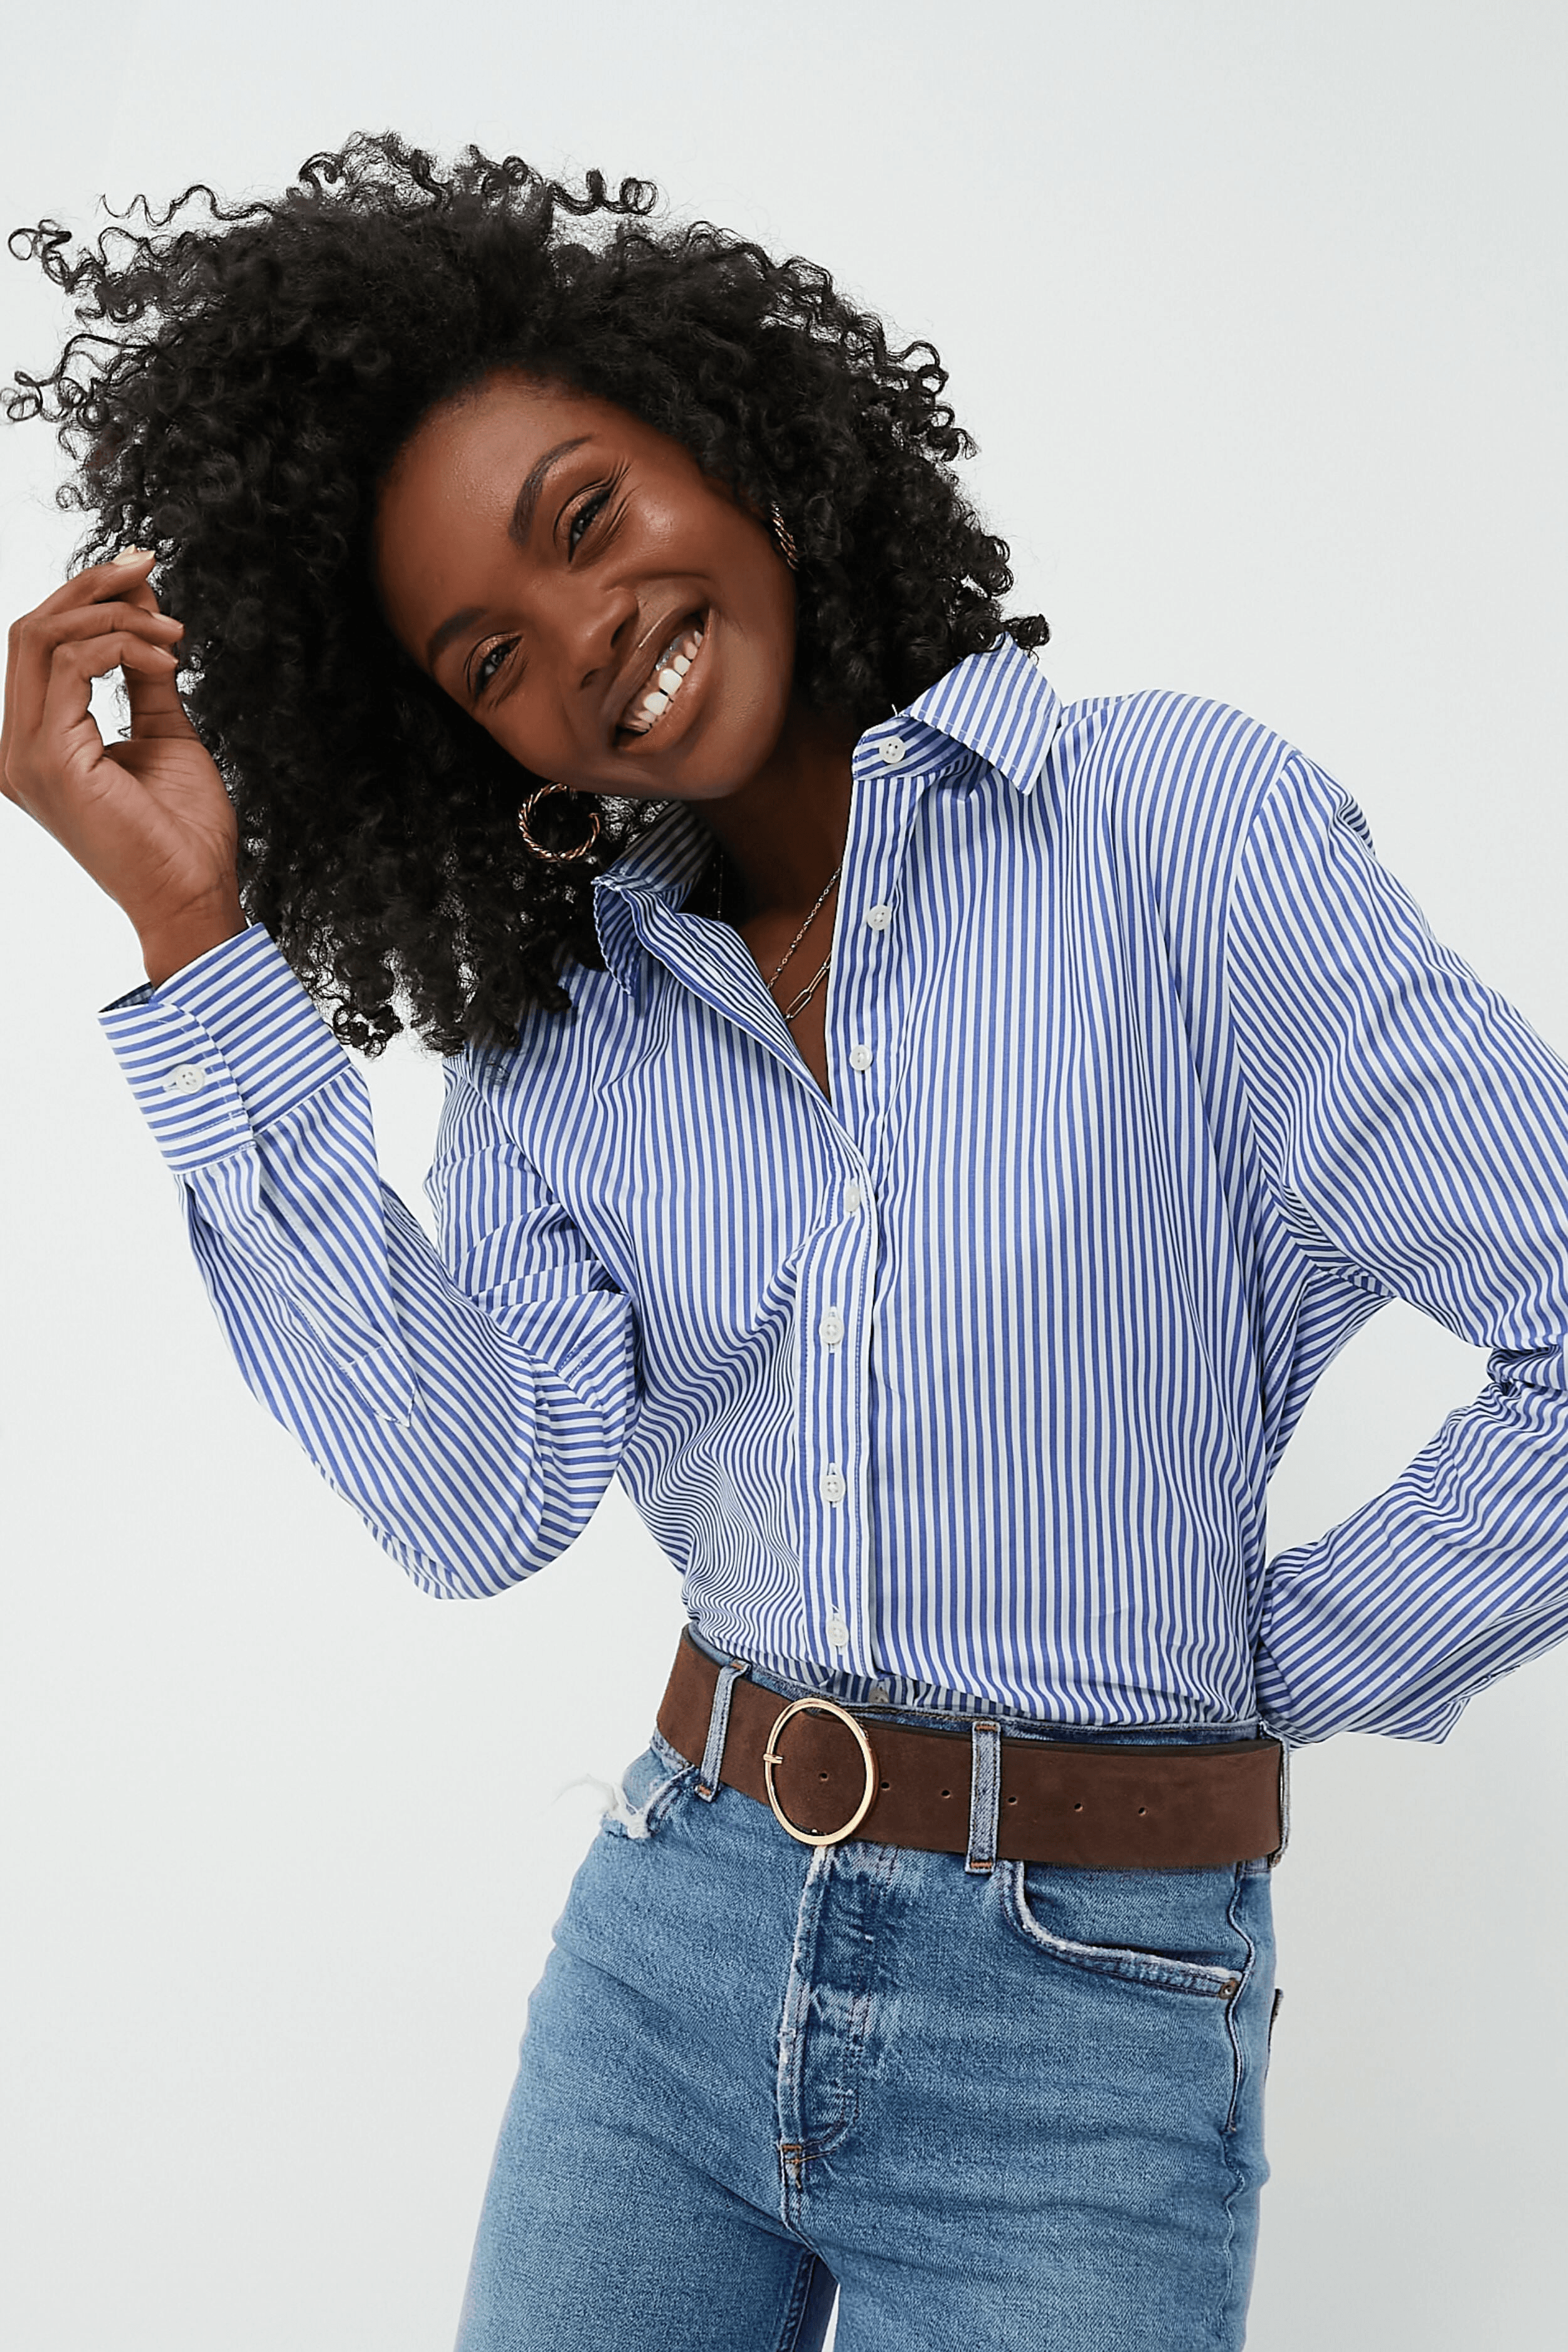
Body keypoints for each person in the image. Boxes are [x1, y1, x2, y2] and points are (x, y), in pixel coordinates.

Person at [6, 133, 1568, 2352]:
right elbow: (473, 1500)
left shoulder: (1175, 833)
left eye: (587, 519)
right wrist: (191, 934)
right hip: (671, 1951)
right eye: (488, 654)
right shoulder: (561, 1025)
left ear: (727, 438)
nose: (587, 639)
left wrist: (1242, 1675)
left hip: (1087, 2027)